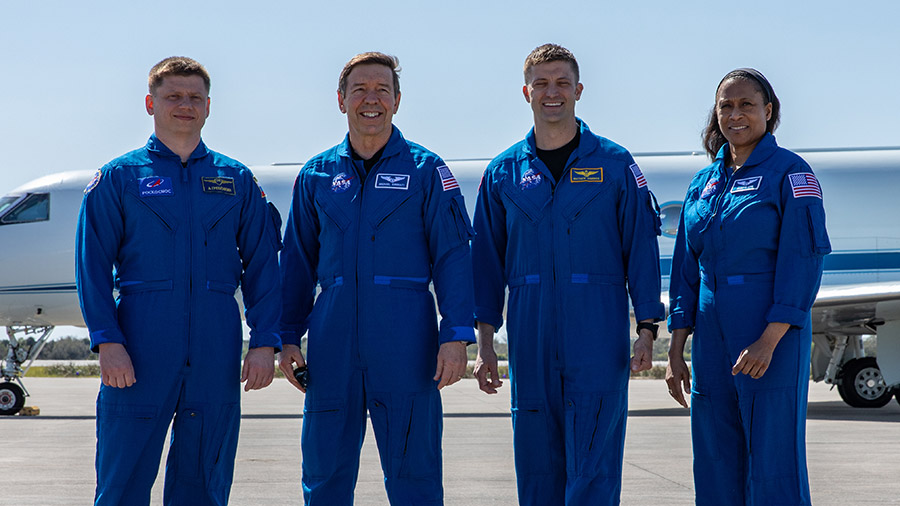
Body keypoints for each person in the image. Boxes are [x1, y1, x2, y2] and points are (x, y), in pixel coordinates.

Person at [76, 56, 283, 506]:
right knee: (121, 483)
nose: (184, 106)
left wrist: (265, 341)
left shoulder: (237, 180)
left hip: (216, 350)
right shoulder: (119, 179)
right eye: (173, 96)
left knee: (204, 486)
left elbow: (265, 267)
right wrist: (107, 341)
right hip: (140, 349)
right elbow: (91, 268)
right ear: (151, 103)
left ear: (209, 106)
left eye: (194, 98)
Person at [277, 51, 475, 505]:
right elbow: (297, 265)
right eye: (360, 90)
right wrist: (287, 337)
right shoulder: (316, 175)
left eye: (382, 90)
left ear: (398, 100)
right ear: (341, 100)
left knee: (415, 477)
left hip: (407, 343)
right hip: (332, 345)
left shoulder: (428, 172)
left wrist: (455, 334)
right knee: (324, 475)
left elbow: (452, 257)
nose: (372, 99)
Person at [471, 43, 665, 506]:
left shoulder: (616, 166)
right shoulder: (502, 173)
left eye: (561, 83)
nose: (551, 92)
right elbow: (486, 264)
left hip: (597, 334)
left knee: (594, 461)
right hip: (529, 335)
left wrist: (646, 329)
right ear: (526, 92)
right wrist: (483, 345)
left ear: (579, 90)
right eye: (541, 83)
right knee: (536, 463)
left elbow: (640, 251)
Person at [666, 68, 831, 505]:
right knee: (715, 456)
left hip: (767, 334)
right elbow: (686, 268)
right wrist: (676, 348)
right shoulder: (703, 183)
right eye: (726, 106)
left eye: (746, 105)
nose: (735, 114)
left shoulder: (791, 174)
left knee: (773, 459)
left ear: (768, 111)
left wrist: (769, 338)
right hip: (710, 336)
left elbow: (803, 261)